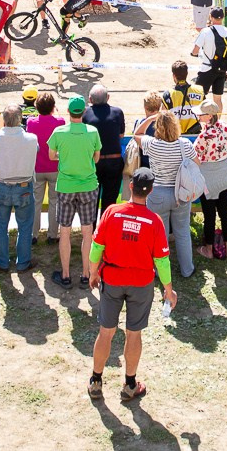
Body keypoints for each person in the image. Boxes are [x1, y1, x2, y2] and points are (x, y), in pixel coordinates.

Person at [87, 167, 176, 404]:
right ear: (150, 192)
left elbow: (96, 247)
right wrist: (168, 289)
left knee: (106, 332)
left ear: (130, 186)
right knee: (133, 333)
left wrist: (92, 273)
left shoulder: (111, 212)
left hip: (112, 279)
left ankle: (96, 380)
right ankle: (129, 385)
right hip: (141, 283)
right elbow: (162, 260)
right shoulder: (154, 222)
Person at [131, 108, 196, 279]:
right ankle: (187, 269)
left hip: (157, 193)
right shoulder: (185, 145)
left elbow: (136, 133)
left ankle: (161, 272)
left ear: (158, 127)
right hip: (180, 193)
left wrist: (150, 118)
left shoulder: (152, 144)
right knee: (182, 232)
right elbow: (197, 163)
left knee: (159, 236)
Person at [50, 95, 104, 284]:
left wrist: (64, 156)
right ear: (84, 112)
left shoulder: (59, 132)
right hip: (88, 186)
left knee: (64, 231)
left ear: (68, 112)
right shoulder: (93, 132)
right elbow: (96, 158)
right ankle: (86, 274)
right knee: (87, 232)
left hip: (66, 187)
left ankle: (65, 275)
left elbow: (51, 155)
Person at [0, 105, 38, 272]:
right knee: (25, 226)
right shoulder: (31, 139)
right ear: (20, 120)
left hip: (2, 186)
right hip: (24, 187)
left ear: (4, 120)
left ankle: (2, 262)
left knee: (0, 226)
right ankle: (23, 262)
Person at [190, 100, 227, 259]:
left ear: (209, 116)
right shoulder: (225, 127)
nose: (198, 116)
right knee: (224, 212)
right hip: (224, 172)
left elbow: (195, 156)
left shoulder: (204, 136)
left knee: (209, 215)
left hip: (208, 177)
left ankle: (208, 249)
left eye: (201, 114)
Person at [22, 89, 62, 244]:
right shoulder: (59, 122)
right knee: (54, 202)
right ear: (53, 107)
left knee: (36, 202)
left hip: (37, 168)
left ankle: (33, 234)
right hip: (55, 167)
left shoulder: (31, 122)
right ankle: (52, 234)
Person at [86, 83, 127, 210]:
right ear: (108, 97)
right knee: (110, 203)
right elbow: (121, 135)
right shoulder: (117, 112)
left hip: (93, 162)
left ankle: (91, 230)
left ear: (90, 99)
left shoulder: (85, 114)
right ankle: (106, 228)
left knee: (91, 201)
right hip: (113, 162)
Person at [190, 13, 227, 99]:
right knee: (218, 99)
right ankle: (218, 113)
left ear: (211, 17)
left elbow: (195, 51)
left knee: (197, 97)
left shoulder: (206, 31)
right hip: (222, 69)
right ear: (222, 18)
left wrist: (194, 54)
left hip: (207, 69)